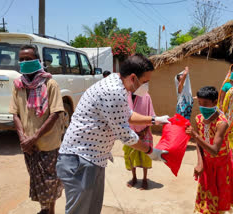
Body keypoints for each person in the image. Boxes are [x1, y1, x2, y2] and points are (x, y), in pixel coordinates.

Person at [56, 54, 170, 214]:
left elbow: (127, 114)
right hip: (80, 160)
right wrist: (151, 151)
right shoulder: (113, 91)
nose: (146, 85)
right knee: (80, 211)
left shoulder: (119, 85)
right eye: (145, 81)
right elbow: (126, 135)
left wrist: (153, 119)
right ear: (133, 78)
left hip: (93, 159)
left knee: (91, 209)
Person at [9, 45, 64, 214]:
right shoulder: (18, 85)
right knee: (36, 179)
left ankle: (51, 210)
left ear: (38, 61)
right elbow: (15, 114)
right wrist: (23, 139)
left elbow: (55, 114)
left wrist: (34, 138)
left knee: (50, 181)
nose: (24, 62)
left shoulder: (50, 84)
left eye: (28, 59)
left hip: (48, 144)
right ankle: (44, 208)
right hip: (28, 145)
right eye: (21, 60)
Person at [186, 86, 233, 214]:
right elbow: (199, 144)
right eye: (199, 103)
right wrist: (200, 162)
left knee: (220, 198)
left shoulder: (221, 123)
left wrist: (195, 135)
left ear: (215, 102)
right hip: (207, 163)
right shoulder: (199, 119)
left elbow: (215, 150)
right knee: (207, 196)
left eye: (205, 103)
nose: (202, 106)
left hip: (221, 164)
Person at [123, 92, 155, 190]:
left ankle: (145, 179)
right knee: (130, 155)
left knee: (145, 156)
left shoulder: (146, 96)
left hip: (144, 132)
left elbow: (151, 114)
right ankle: (134, 177)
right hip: (130, 132)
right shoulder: (125, 95)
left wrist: (144, 131)